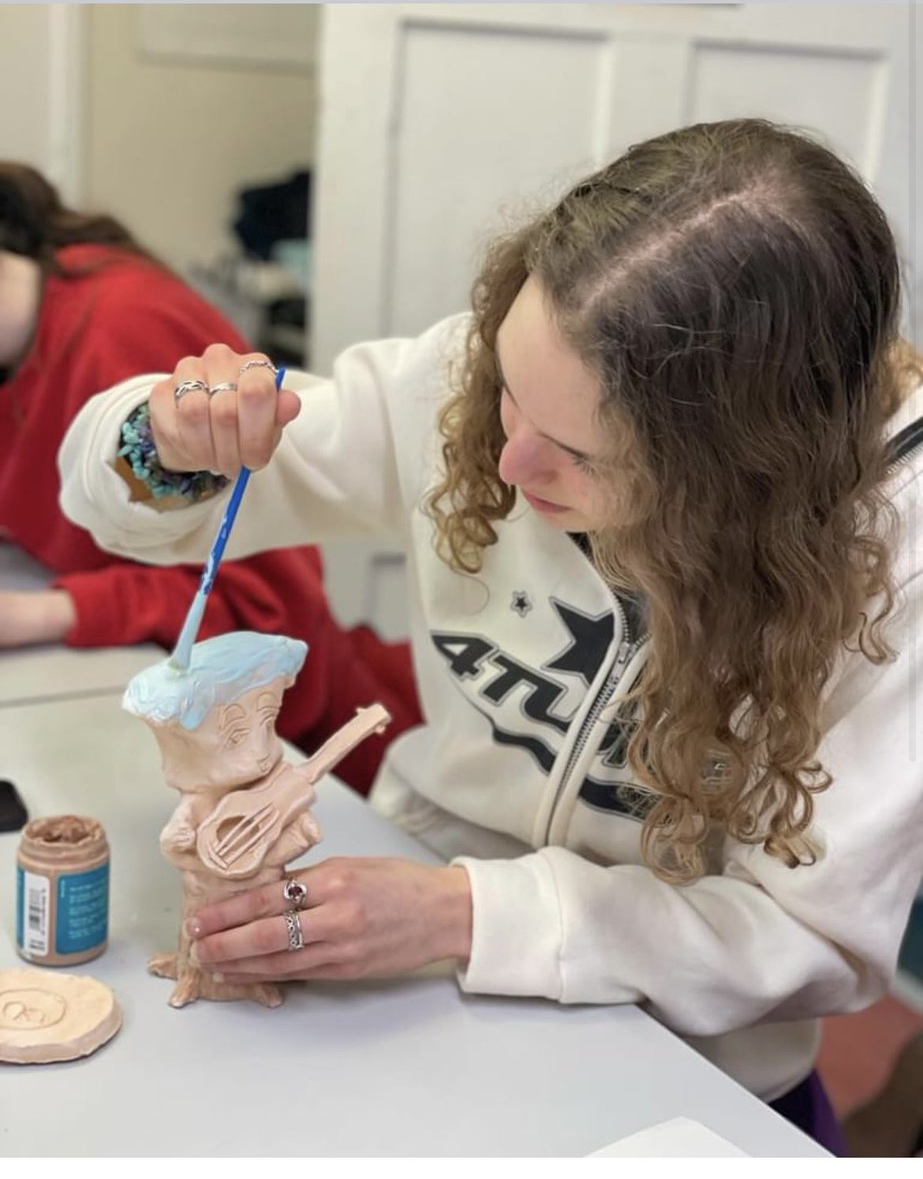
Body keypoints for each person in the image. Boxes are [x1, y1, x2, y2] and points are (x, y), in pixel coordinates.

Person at [59, 119, 923, 1155]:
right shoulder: (496, 375)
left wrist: (463, 914)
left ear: (745, 471)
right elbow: (153, 489)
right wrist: (166, 440)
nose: (506, 464)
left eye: (576, 455)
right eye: (507, 391)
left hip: (682, 1075)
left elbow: (805, 942)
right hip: (401, 977)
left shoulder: (895, 573)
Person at [0, 162, 420, 793]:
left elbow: (264, 608)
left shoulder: (121, 324)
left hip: (286, 737)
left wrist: (44, 614)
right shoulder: (23, 350)